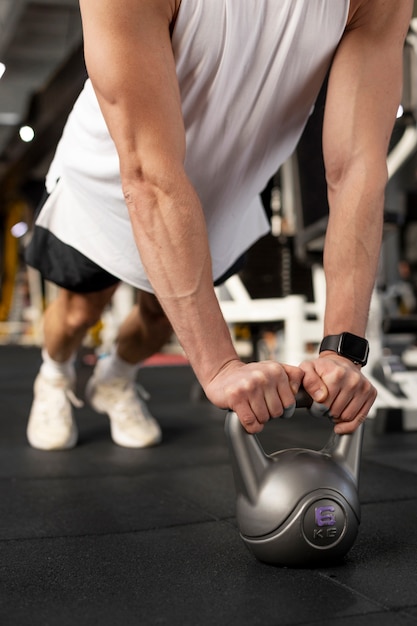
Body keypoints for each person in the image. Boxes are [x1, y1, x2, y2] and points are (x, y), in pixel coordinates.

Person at [25, 0, 412, 450]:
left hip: (224, 192)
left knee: (159, 317)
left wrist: (342, 351)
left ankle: (116, 378)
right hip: (113, 177)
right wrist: (219, 367)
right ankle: (53, 375)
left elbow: (358, 172)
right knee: (79, 313)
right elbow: (149, 175)